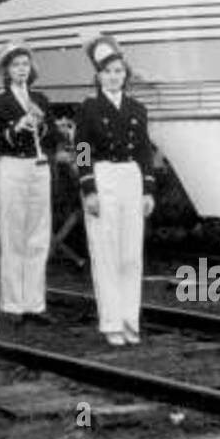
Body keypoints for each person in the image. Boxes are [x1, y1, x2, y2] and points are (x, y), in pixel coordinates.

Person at [74, 35, 156, 346]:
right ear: (98, 76)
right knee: (106, 253)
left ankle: (130, 320)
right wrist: (88, 188)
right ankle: (110, 323)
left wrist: (148, 189)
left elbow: (145, 150)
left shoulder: (137, 107)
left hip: (131, 178)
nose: (114, 77)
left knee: (130, 255)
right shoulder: (89, 108)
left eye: (119, 72)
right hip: (103, 175)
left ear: (126, 75)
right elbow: (81, 148)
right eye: (108, 72)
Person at [0, 40, 56, 323]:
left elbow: (53, 140)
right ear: (6, 70)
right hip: (11, 167)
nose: (22, 70)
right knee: (13, 235)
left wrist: (44, 126)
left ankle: (35, 303)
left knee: (38, 236)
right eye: (16, 65)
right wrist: (16, 127)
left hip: (39, 168)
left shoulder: (42, 99)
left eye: (25, 64)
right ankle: (13, 304)